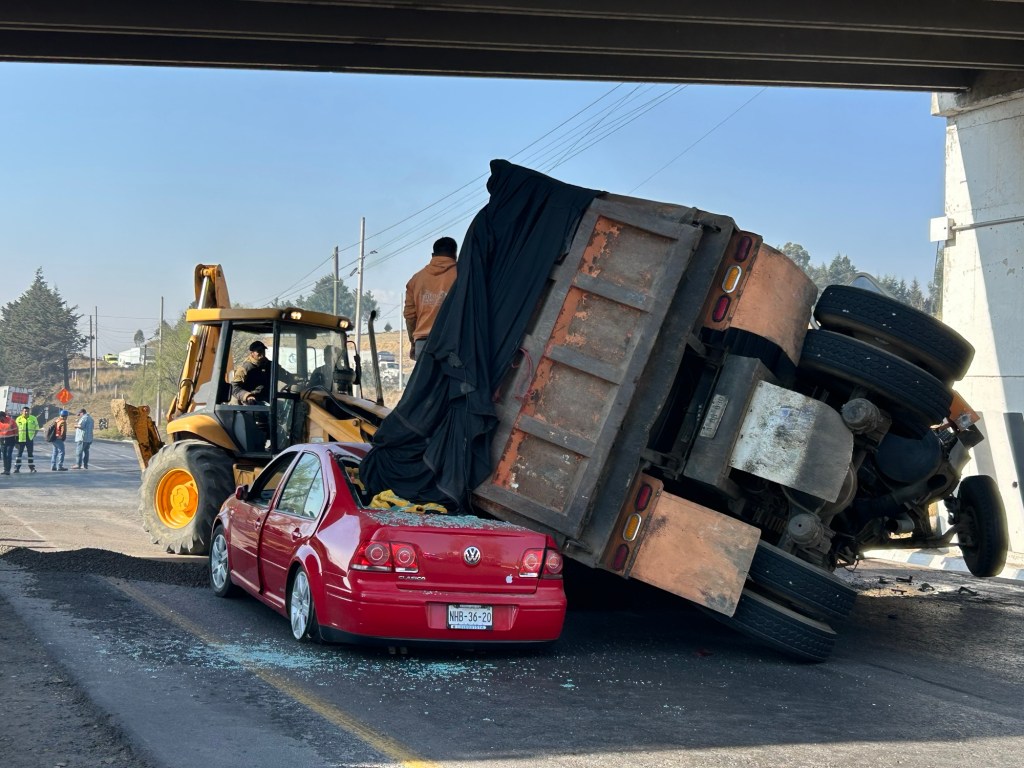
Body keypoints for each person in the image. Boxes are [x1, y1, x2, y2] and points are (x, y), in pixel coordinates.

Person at [404, 236, 458, 360]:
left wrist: (413, 343)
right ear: (455, 254)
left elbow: (410, 317)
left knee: (425, 379)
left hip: (423, 344)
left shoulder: (416, 280)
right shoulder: (462, 275)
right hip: (453, 343)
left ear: (433, 255)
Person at [230, 340, 296, 404]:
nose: (262, 354)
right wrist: (247, 396)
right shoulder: (245, 368)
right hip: (252, 403)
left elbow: (286, 376)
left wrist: (296, 378)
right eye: (259, 351)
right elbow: (234, 388)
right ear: (252, 353)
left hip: (269, 401)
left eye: (263, 351)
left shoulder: (271, 365)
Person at [14, 406, 39, 474]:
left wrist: (33, 436)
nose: (26, 412)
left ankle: (32, 468)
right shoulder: (18, 419)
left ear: (29, 411)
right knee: (19, 454)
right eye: (25, 411)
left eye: (27, 411)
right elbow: (15, 430)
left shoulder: (33, 418)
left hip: (29, 439)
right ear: (22, 411)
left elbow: (36, 428)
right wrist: (15, 440)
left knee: (30, 454)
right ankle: (17, 468)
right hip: (21, 440)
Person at [0, 410, 17, 475]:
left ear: (3, 417)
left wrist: (17, 440)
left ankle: (8, 470)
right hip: (2, 441)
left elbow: (16, 430)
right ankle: (5, 469)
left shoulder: (11, 421)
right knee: (4, 455)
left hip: (11, 440)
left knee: (8, 455)